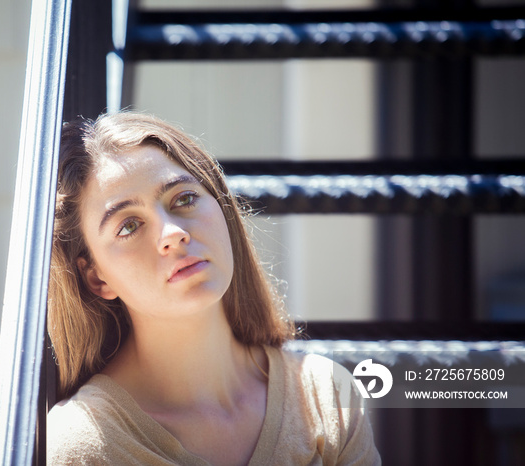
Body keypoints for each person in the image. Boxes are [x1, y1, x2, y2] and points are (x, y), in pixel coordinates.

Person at [46, 111, 380, 465]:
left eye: (184, 199)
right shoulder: (84, 442)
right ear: (98, 277)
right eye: (129, 226)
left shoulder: (325, 395)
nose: (173, 233)